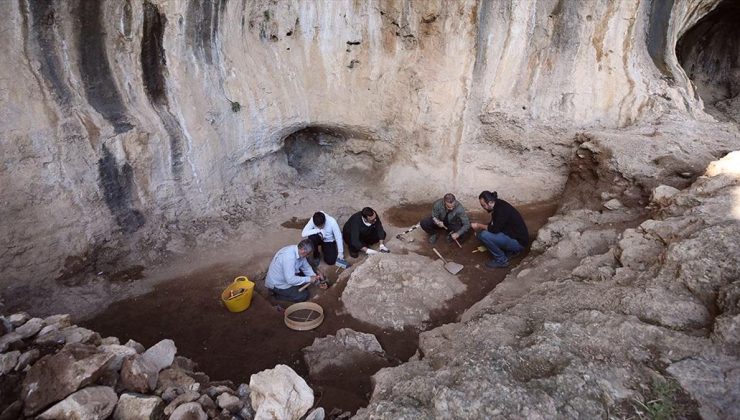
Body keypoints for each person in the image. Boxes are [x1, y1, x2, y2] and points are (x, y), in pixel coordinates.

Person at [471, 191, 529, 269]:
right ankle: (511, 251)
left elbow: (494, 229)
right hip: (515, 237)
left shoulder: (501, 210)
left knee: (484, 235)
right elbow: (494, 223)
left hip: (519, 243)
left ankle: (501, 260)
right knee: (481, 233)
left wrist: (478, 225)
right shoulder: (498, 204)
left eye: (484, 205)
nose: (483, 207)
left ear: (490, 202)